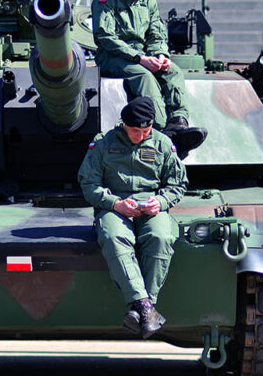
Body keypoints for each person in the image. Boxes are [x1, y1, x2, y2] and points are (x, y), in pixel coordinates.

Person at [77, 96, 188, 338]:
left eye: (146, 131)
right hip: (115, 205)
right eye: (135, 131)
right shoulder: (103, 143)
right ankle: (147, 307)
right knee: (114, 238)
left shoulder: (162, 143)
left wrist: (160, 201)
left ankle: (142, 307)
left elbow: (178, 184)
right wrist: (115, 203)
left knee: (161, 237)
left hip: (152, 206)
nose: (141, 135)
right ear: (124, 125)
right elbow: (89, 183)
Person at [91, 0, 207, 158]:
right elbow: (105, 37)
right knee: (143, 76)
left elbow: (156, 34)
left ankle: (178, 122)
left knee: (173, 72)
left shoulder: (148, 1)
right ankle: (162, 130)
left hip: (144, 56)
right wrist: (139, 58)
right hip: (113, 57)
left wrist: (160, 55)